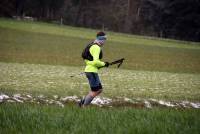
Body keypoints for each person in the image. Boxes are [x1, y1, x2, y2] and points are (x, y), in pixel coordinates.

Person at [79, 31, 109, 107]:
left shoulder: (92, 45)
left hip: (90, 70)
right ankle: (84, 107)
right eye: (104, 39)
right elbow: (96, 62)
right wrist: (104, 64)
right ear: (101, 39)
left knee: (99, 90)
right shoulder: (96, 47)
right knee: (95, 91)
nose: (105, 41)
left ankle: (82, 102)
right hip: (92, 71)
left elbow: (90, 62)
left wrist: (101, 65)